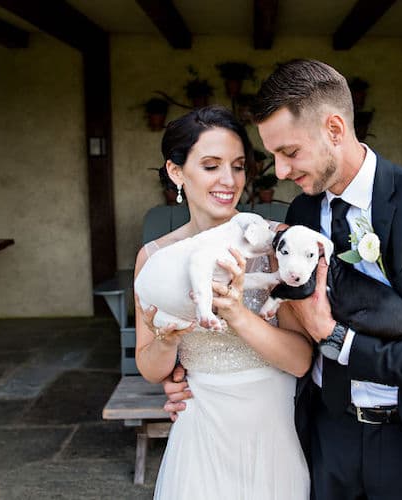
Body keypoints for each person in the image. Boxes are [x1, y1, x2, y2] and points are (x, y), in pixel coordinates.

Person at [165, 60, 402, 499]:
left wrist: (337, 338)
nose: (280, 172)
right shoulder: (301, 213)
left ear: (335, 130)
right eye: (272, 157)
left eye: (289, 153)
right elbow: (289, 330)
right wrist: (197, 383)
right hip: (329, 438)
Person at [134, 105, 311, 499]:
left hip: (272, 430)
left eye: (238, 166)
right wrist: (167, 340)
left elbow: (300, 360)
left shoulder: (276, 244)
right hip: (201, 426)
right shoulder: (156, 259)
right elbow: (149, 366)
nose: (228, 180)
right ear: (176, 171)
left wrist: (235, 312)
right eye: (211, 165)